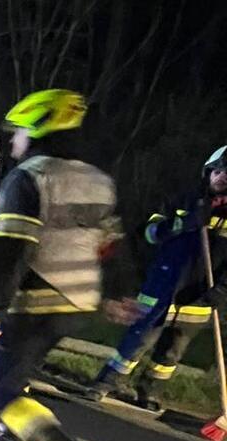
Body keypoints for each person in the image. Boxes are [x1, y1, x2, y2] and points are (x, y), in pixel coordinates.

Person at [0, 89, 139, 441]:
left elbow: (12, 250)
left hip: (37, 300)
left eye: (19, 132)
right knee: (17, 369)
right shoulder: (99, 181)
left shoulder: (28, 179)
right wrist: (121, 292)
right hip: (80, 303)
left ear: (39, 129)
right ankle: (8, 438)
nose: (13, 140)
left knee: (5, 388)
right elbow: (113, 245)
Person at [82, 146, 227, 410]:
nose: (221, 177)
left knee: (172, 350)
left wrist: (221, 291)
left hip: (198, 295)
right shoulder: (184, 200)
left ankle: (148, 390)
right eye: (218, 171)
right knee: (139, 338)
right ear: (208, 171)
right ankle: (106, 382)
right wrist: (184, 223)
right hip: (162, 285)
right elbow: (149, 233)